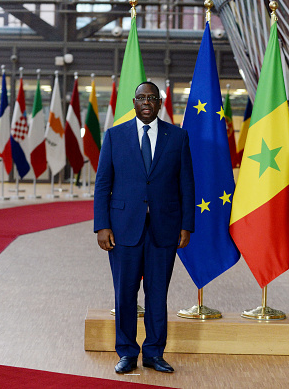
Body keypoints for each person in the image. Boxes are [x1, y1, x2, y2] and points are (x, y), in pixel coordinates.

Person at [94, 81, 195, 374]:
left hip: (165, 229)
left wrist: (186, 224)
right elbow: (103, 184)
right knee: (125, 293)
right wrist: (102, 225)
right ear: (134, 102)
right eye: (141, 97)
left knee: (157, 293)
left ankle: (153, 352)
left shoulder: (177, 137)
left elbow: (186, 184)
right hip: (123, 228)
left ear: (160, 102)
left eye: (152, 97)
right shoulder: (115, 136)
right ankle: (126, 352)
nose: (147, 102)